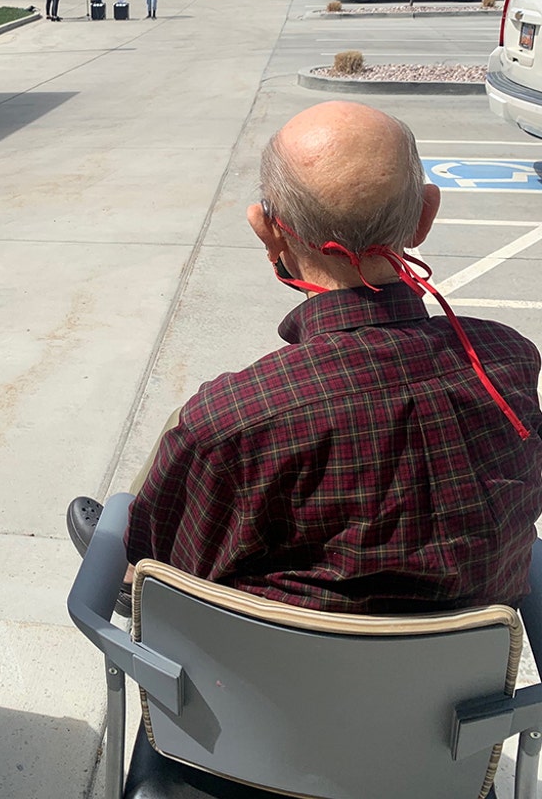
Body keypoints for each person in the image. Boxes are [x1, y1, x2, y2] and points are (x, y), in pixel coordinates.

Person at [68, 102, 542, 617]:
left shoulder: (229, 422)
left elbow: (181, 575)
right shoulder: (508, 360)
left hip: (266, 690)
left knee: (156, 523)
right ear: (425, 216)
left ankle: (124, 577)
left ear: (267, 231)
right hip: (466, 679)